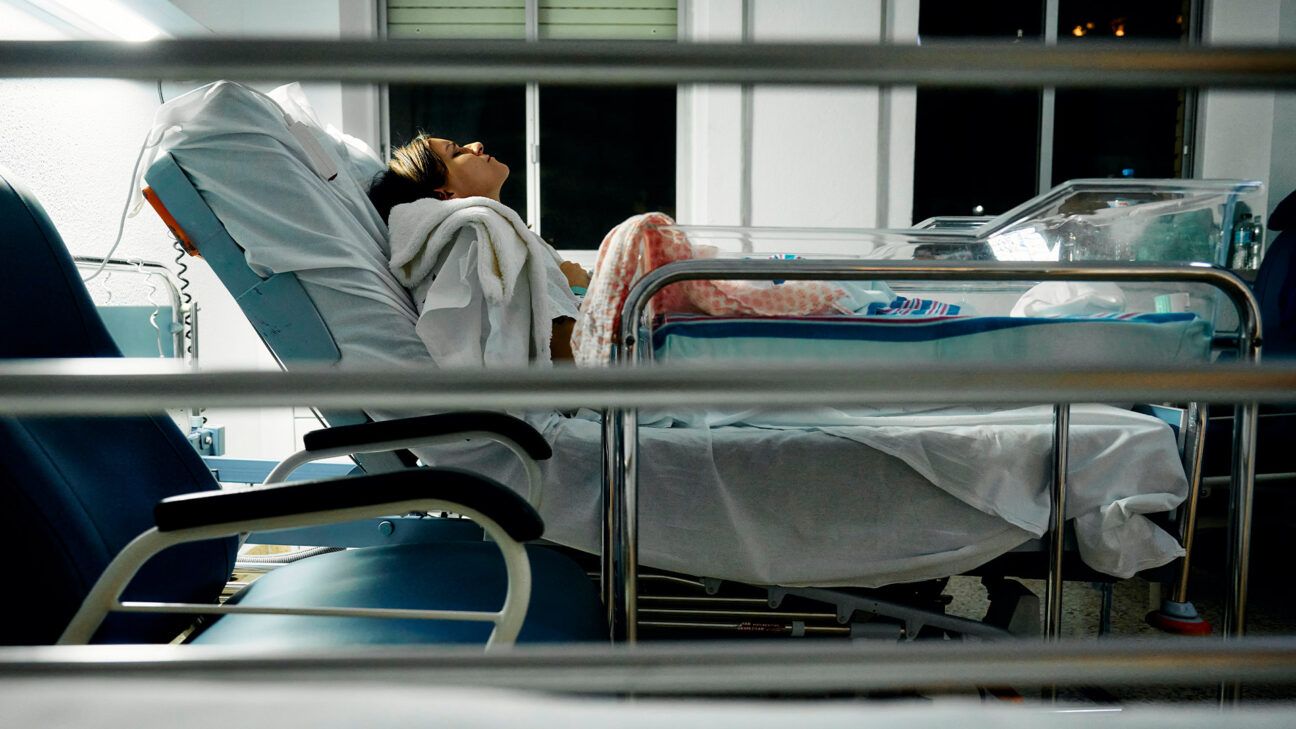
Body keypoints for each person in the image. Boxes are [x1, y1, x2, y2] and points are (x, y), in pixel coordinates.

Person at [368, 134, 590, 361]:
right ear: (445, 194)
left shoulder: (512, 238)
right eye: (456, 152)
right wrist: (576, 290)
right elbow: (567, 353)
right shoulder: (485, 240)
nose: (476, 146)